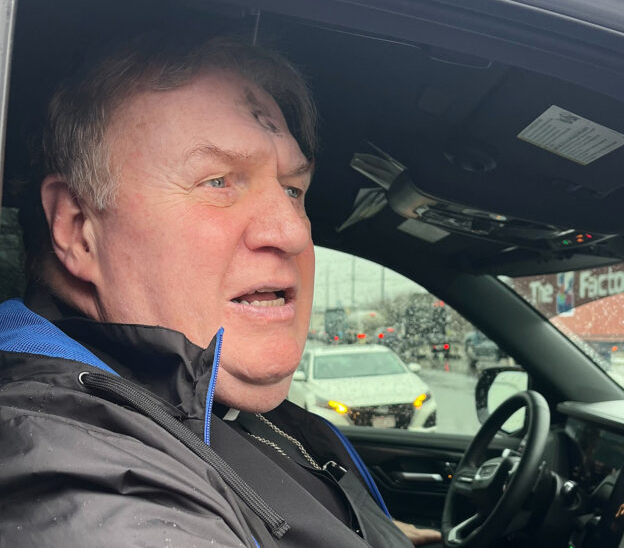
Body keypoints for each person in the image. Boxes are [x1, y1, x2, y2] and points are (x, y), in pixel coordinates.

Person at [0, 34, 442, 547]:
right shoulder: (73, 466)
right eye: (219, 182)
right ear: (79, 228)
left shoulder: (204, 396)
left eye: (294, 189)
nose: (294, 232)